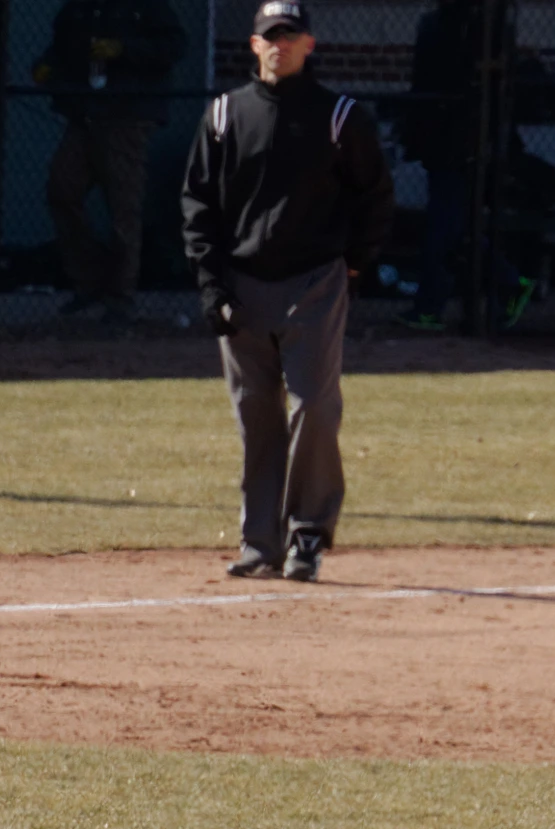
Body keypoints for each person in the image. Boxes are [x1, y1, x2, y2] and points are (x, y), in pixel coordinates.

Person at [180, 0, 394, 583]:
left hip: (314, 282)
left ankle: (308, 535)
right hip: (242, 282)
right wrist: (212, 284)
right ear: (253, 46)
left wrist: (353, 266)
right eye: (270, 36)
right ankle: (259, 542)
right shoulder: (225, 114)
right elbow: (198, 204)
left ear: (309, 45)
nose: (280, 45)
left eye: (290, 35)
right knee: (256, 414)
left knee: (315, 409)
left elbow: (374, 194)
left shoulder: (338, 116)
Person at [34, 0, 188, 325]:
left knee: (123, 207)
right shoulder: (80, 9)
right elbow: (60, 49)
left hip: (128, 116)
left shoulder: (145, 8)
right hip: (84, 113)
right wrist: (47, 69)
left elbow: (173, 47)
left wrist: (124, 49)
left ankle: (120, 297)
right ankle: (89, 282)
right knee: (62, 190)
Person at [396, 0, 534, 332]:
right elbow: (427, 80)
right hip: (443, 140)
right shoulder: (441, 23)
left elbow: (490, 78)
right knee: (454, 226)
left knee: (447, 227)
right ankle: (506, 283)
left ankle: (434, 304)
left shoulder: (482, 25)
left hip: (464, 143)